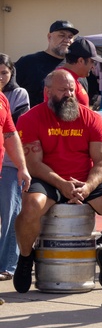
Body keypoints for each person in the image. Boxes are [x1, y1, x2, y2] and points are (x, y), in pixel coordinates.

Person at [12, 69, 102, 293]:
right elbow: (33, 164)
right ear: (48, 92)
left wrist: (88, 187)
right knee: (30, 207)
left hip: (86, 179)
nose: (68, 94)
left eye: (71, 90)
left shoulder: (92, 118)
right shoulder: (30, 119)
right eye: (62, 90)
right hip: (48, 179)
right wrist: (61, 184)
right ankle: (26, 258)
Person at [0, 54, 31, 280]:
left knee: (11, 215)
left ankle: (7, 265)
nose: (0, 77)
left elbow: (11, 133)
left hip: (8, 166)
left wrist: (22, 166)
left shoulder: (7, 98)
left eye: (4, 72)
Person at [15, 20, 78, 107]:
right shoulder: (28, 62)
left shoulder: (75, 66)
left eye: (70, 37)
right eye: (62, 35)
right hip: (34, 115)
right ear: (49, 37)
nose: (67, 40)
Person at [50, 38, 101, 108]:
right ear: (81, 61)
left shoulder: (71, 78)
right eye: (92, 61)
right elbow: (59, 112)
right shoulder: (62, 80)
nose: (93, 67)